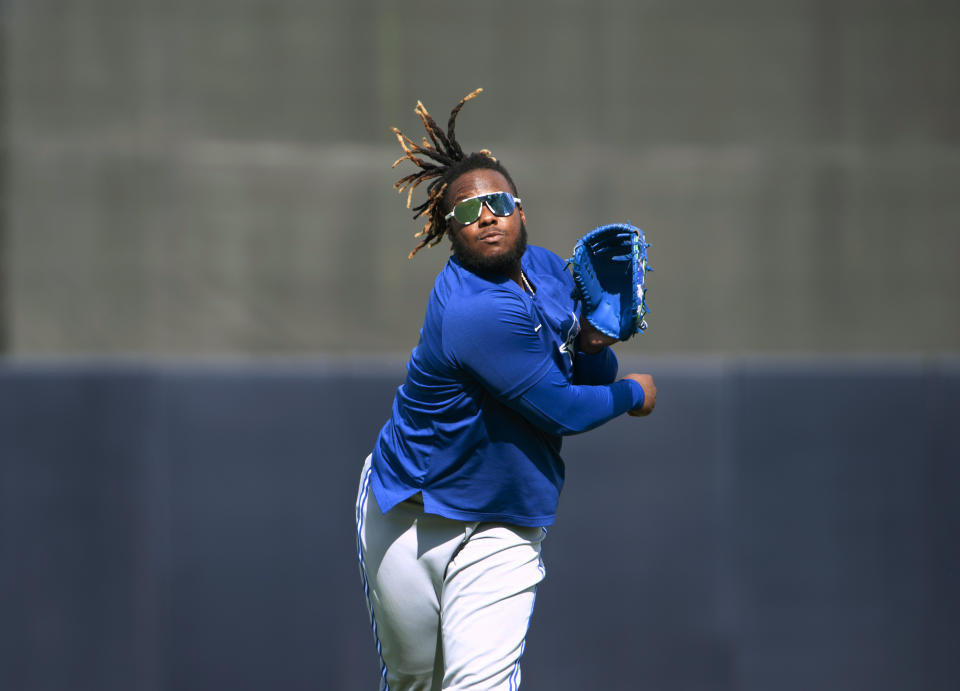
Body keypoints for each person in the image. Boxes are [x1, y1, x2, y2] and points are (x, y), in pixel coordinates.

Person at [355, 89, 657, 691]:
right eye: (466, 212)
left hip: (503, 525)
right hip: (408, 512)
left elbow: (578, 372)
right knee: (416, 681)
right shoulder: (473, 310)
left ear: (520, 209)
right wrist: (633, 392)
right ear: (449, 229)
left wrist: (595, 342)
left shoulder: (546, 270)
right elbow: (562, 408)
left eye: (496, 202)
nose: (484, 215)